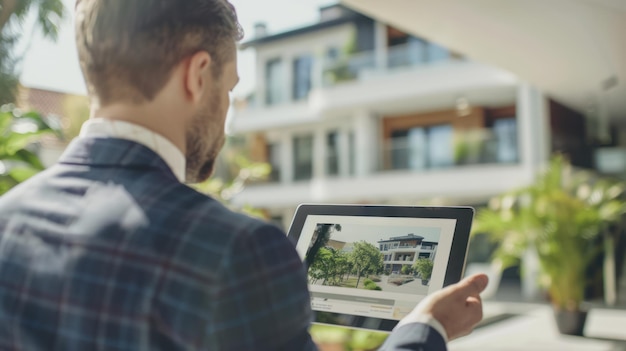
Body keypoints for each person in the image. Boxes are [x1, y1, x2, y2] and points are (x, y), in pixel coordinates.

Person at [0, 1, 488, 350]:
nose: (227, 111)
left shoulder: (8, 218)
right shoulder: (236, 250)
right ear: (197, 75)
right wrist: (425, 329)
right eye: (230, 88)